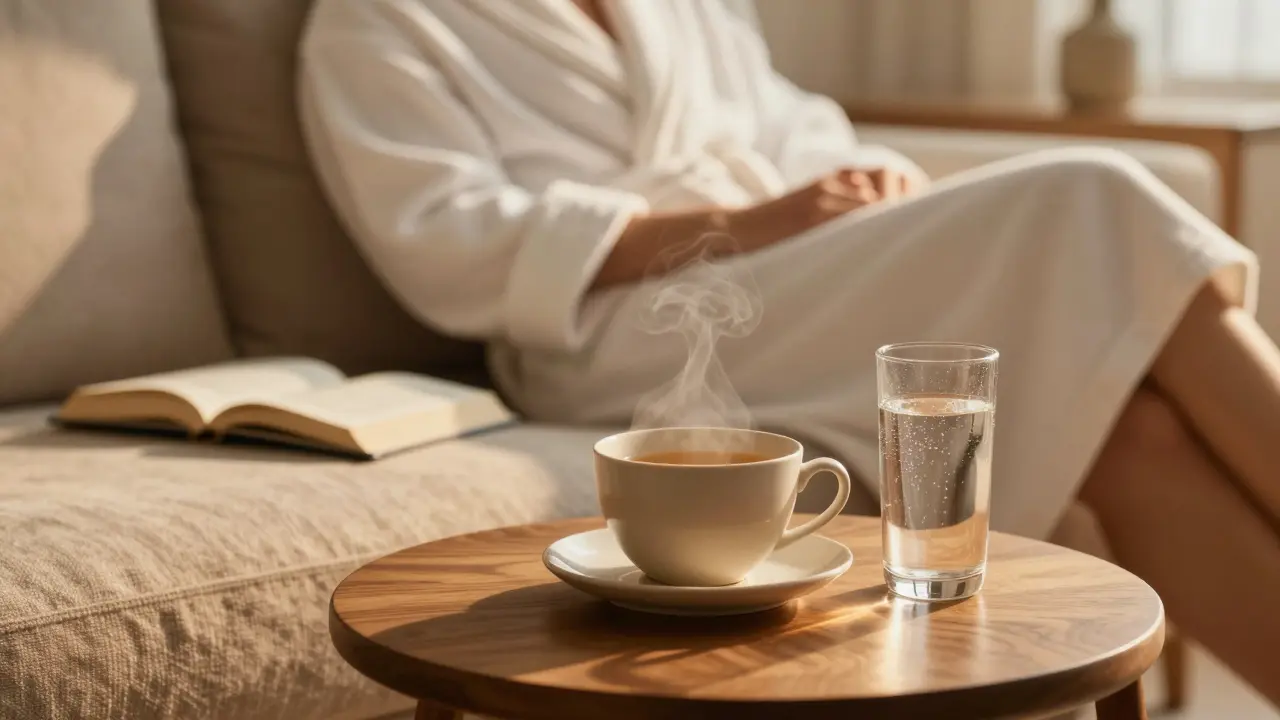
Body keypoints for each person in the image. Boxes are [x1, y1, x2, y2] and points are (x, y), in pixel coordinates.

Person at [299, 0, 1279, 703]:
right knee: (1092, 197)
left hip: (791, 281)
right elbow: (448, 241)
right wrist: (747, 222)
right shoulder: (376, 19)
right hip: (614, 327)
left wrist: (860, 184)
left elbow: (796, 128)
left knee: (1130, 430)